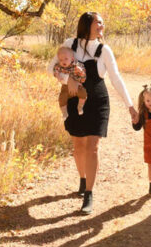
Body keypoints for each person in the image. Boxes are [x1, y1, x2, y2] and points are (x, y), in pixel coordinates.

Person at [49, 12, 138, 214]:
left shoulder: (104, 50)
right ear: (87, 24)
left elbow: (116, 78)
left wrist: (130, 106)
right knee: (78, 145)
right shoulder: (69, 44)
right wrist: (67, 79)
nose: (102, 26)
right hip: (74, 99)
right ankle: (82, 179)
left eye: (103, 23)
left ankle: (89, 193)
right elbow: (50, 68)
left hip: (98, 101)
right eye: (98, 22)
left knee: (93, 146)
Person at [53, 46, 87, 120]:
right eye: (61, 59)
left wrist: (80, 71)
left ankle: (80, 107)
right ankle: (64, 112)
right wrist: (58, 75)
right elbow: (55, 71)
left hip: (78, 86)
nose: (63, 61)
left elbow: (84, 76)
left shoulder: (77, 66)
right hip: (65, 87)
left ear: (72, 59)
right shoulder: (59, 66)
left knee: (83, 94)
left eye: (66, 59)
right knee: (62, 98)